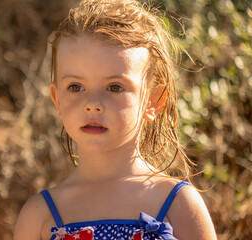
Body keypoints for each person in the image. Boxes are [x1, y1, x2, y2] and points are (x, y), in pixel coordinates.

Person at [14, 0, 217, 239]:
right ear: (57, 99)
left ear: (153, 101)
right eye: (76, 86)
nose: (92, 104)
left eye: (114, 87)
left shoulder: (178, 204)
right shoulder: (39, 214)